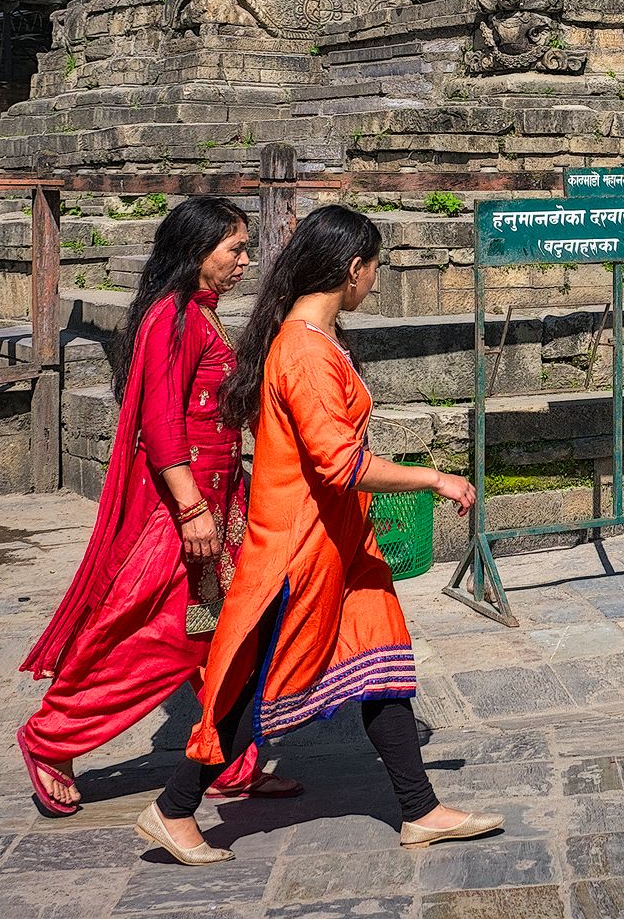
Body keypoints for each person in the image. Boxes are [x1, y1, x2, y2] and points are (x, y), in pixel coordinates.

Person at [137, 204, 499, 865]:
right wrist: (432, 477)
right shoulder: (304, 349)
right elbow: (340, 462)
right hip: (299, 548)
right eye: (374, 268)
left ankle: (419, 808)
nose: (376, 281)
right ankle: (172, 806)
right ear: (353, 268)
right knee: (244, 678)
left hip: (338, 544)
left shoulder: (316, 339)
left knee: (383, 658)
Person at [15, 196, 288, 815]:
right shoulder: (171, 316)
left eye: (245, 248)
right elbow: (163, 426)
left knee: (233, 633)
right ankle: (53, 735)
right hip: (184, 513)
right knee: (158, 637)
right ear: (197, 254)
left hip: (223, 501)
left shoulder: (199, 314)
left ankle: (227, 758)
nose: (246, 260)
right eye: (235, 249)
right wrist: (193, 512)